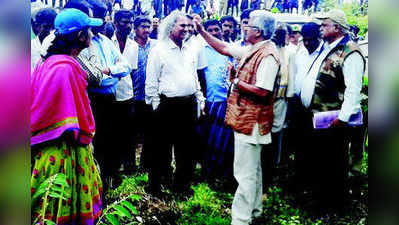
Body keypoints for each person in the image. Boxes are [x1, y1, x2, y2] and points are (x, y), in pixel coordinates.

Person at [194, 10, 279, 225]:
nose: (245, 28)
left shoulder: (267, 55)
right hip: (247, 120)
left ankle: (241, 220)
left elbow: (263, 91)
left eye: (248, 26)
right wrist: (202, 32)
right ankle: (256, 212)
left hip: (252, 122)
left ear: (258, 32)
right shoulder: (254, 49)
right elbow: (223, 47)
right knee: (254, 170)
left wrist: (235, 82)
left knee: (244, 173)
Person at [31, 8, 103, 225]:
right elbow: (74, 117)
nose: (91, 35)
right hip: (64, 150)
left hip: (45, 150)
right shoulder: (66, 68)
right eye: (89, 30)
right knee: (65, 203)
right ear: (81, 36)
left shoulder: (47, 62)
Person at [295, 10, 366, 211]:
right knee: (322, 161)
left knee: (334, 163)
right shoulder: (329, 47)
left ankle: (333, 204)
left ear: (337, 27)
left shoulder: (350, 51)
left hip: (333, 118)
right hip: (318, 116)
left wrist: (342, 119)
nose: (321, 28)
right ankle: (321, 199)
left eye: (325, 25)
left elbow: (353, 89)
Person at [145, 11, 206, 196]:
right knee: (160, 150)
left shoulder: (190, 49)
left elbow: (194, 77)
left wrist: (200, 99)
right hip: (166, 106)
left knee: (187, 150)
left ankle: (182, 187)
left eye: (189, 26)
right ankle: (156, 188)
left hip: (188, 105)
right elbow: (151, 81)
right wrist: (156, 107)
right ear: (171, 27)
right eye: (182, 26)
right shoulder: (159, 50)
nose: (186, 29)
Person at [81, 0, 132, 190]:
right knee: (98, 144)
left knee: (112, 142)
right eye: (98, 15)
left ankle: (110, 181)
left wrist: (109, 70)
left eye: (104, 15)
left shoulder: (106, 41)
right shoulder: (83, 44)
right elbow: (96, 81)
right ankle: (96, 185)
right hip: (94, 101)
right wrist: (113, 75)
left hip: (111, 100)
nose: (102, 20)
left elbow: (125, 66)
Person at [198, 19, 235, 185]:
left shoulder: (231, 49)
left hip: (226, 100)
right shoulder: (201, 50)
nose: (214, 33)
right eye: (210, 30)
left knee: (225, 139)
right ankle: (209, 172)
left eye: (217, 30)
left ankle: (223, 172)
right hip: (209, 100)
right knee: (208, 137)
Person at [110, 9, 138, 175]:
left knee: (128, 133)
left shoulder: (133, 45)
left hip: (127, 94)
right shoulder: (108, 42)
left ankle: (129, 166)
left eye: (130, 22)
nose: (128, 26)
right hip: (110, 94)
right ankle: (112, 167)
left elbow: (132, 72)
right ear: (115, 23)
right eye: (124, 22)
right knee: (112, 132)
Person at [129, 15, 157, 171]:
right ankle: (130, 165)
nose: (146, 29)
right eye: (142, 26)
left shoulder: (156, 46)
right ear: (135, 28)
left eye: (148, 26)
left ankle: (146, 165)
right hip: (133, 96)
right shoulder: (130, 46)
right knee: (131, 133)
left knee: (150, 133)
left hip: (150, 96)